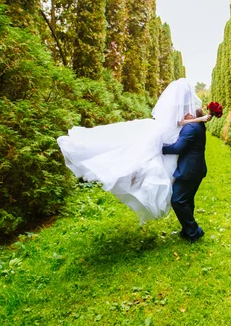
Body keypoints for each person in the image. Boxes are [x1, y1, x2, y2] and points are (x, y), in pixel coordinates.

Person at [57, 79, 209, 225]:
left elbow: (178, 145)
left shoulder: (190, 124)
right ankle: (190, 229)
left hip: (188, 167)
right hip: (187, 164)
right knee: (137, 154)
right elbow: (182, 124)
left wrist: (160, 147)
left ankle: (192, 230)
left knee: (180, 199)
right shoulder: (190, 121)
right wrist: (200, 119)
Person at [162, 108, 211, 243]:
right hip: (196, 169)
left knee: (177, 200)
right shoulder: (198, 125)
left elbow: (177, 147)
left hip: (189, 171)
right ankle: (187, 230)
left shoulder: (190, 127)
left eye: (187, 112)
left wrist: (159, 148)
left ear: (194, 115)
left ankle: (195, 231)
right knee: (187, 200)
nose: (184, 114)